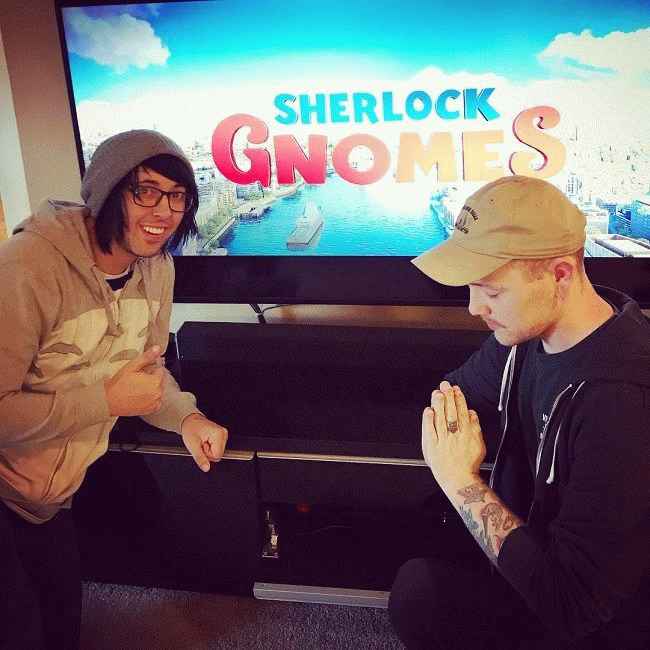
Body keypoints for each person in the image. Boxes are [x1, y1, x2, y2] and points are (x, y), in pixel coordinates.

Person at [388, 175, 650, 649]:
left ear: (560, 274)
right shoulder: (524, 334)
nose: (474, 307)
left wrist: (462, 483)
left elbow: (574, 605)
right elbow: (451, 397)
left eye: (490, 290)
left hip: (592, 618)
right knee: (411, 535)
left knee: (419, 594)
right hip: (537, 544)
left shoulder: (620, 400)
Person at [0, 130, 228, 649]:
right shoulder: (25, 268)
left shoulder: (157, 268)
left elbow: (145, 375)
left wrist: (187, 417)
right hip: (3, 489)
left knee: (62, 626)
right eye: (145, 191)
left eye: (177, 196)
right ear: (106, 192)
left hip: (49, 499)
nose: (164, 211)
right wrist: (104, 401)